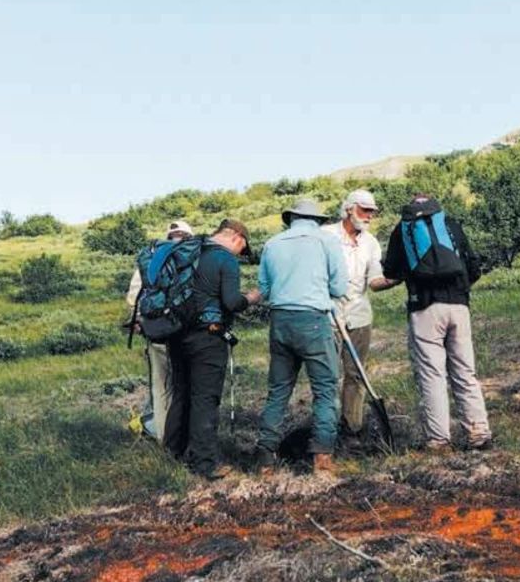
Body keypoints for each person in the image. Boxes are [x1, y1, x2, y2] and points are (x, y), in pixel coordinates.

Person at [381, 193, 491, 450]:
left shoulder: (403, 228)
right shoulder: (450, 224)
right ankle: (479, 433)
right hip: (459, 307)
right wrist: (461, 290)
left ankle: (439, 439)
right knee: (465, 371)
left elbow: (391, 271)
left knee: (432, 375)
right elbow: (473, 266)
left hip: (425, 307)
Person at [162, 219, 261, 479]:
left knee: (181, 394)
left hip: (176, 334)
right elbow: (231, 302)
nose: (240, 254)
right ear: (238, 238)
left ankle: (172, 455)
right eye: (243, 249)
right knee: (205, 398)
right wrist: (250, 298)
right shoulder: (225, 259)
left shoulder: (187, 251)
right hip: (208, 336)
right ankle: (205, 464)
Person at [255, 196, 346, 474]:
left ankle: (266, 458)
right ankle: (322, 457)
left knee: (279, 390)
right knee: (325, 389)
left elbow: (264, 288)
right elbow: (340, 286)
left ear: (291, 218)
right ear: (317, 220)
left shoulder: (272, 243)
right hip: (313, 320)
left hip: (280, 320)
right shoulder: (327, 241)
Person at [322, 189, 396, 446]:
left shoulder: (371, 242)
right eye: (365, 210)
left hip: (359, 317)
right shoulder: (326, 236)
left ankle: (352, 430)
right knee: (328, 376)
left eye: (373, 211)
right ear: (349, 209)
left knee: (356, 375)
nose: (370, 216)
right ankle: (326, 430)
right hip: (329, 316)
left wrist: (396, 278)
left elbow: (374, 282)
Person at [126, 220, 195, 441]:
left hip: (157, 333)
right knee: (189, 386)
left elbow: (133, 296)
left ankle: (164, 438)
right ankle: (187, 437)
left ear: (169, 236)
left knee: (161, 387)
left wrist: (139, 321)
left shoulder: (152, 258)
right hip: (188, 333)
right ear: (189, 237)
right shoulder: (194, 257)